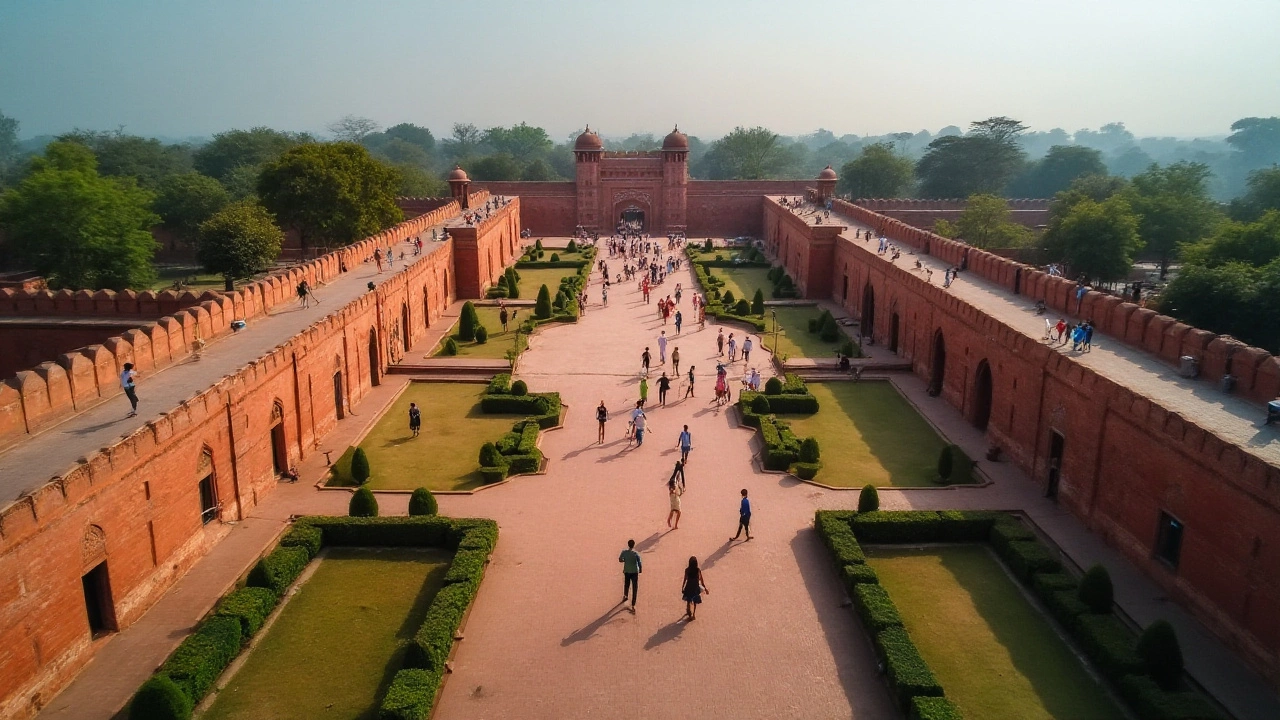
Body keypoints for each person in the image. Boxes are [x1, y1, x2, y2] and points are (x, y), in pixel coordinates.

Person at [682, 556, 709, 621]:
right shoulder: (698, 570)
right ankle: (693, 614)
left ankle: (689, 613)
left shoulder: (687, 570)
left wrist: (682, 587)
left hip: (689, 587)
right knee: (695, 601)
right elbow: (702, 580)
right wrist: (705, 588)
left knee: (688, 600)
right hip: (695, 588)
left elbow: (685, 579)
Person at [619, 539, 641, 612]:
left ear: (628, 545)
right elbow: (639, 562)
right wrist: (640, 569)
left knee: (626, 584)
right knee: (635, 587)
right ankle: (633, 605)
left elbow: (620, 559)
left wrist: (625, 560)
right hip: (634, 572)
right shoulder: (636, 554)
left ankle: (625, 596)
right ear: (633, 545)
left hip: (627, 571)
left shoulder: (624, 552)